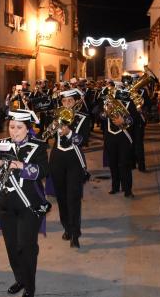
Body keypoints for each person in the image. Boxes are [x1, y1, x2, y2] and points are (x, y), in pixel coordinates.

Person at [0, 109, 50, 297]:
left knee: (26, 247)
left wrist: (21, 165)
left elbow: (44, 171)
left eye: (19, 128)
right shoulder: (1, 145)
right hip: (5, 205)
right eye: (11, 127)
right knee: (12, 247)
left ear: (28, 128)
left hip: (28, 205)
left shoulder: (38, 146)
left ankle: (30, 287)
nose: (14, 131)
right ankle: (20, 279)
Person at [49, 89, 91, 248]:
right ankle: (66, 227)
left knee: (73, 198)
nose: (66, 104)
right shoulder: (57, 117)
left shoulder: (83, 118)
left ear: (76, 102)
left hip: (75, 161)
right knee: (61, 197)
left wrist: (69, 133)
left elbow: (82, 140)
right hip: (57, 160)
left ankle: (75, 233)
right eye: (64, 101)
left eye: (70, 101)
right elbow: (48, 135)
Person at [103, 85, 140, 197]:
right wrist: (104, 114)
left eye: (117, 91)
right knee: (113, 163)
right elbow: (101, 116)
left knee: (125, 164)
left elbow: (134, 120)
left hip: (124, 137)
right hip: (110, 137)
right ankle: (115, 187)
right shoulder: (108, 103)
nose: (115, 93)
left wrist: (123, 121)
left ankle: (127, 189)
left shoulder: (130, 103)